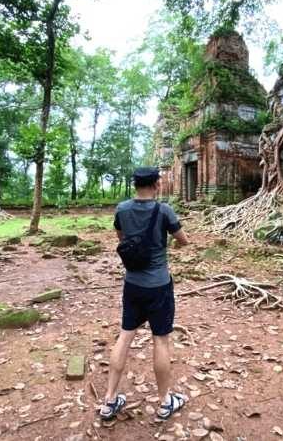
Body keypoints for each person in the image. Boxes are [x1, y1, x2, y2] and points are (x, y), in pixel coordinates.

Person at [100, 166, 189, 421]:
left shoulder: (122, 209)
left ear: (135, 184)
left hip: (133, 284)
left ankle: (109, 401)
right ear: (157, 184)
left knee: (125, 336)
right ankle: (164, 403)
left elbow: (122, 238)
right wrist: (165, 241)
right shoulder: (164, 210)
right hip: (159, 285)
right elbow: (184, 240)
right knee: (160, 340)